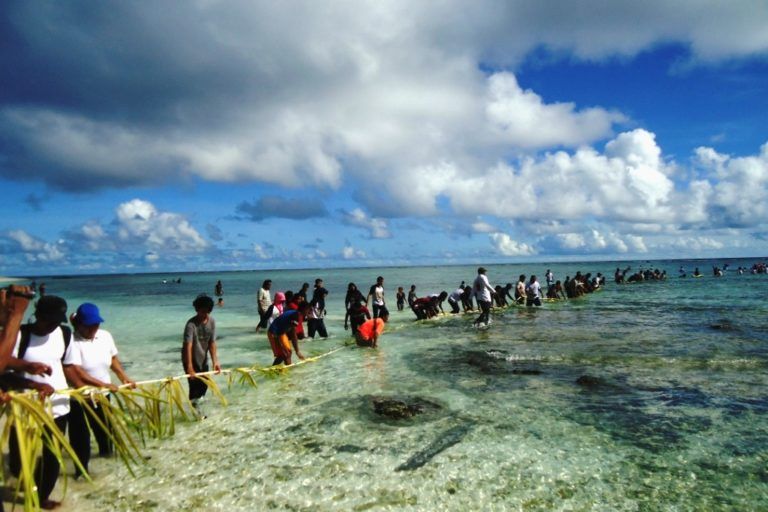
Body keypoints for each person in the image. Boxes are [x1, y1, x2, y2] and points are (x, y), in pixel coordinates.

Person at [6, 295, 75, 509]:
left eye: (56, 321)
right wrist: (33, 384)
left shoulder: (64, 333)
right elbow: (3, 374)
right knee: (18, 461)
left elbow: (69, 366)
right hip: (24, 409)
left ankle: (41, 496)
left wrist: (94, 388)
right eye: (48, 320)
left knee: (52, 455)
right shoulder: (19, 335)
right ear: (37, 315)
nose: (52, 326)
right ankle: (28, 484)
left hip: (58, 406)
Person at [63, 303, 135, 478]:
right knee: (81, 436)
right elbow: (76, 370)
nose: (94, 328)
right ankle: (81, 472)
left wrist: (123, 377)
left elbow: (113, 359)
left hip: (102, 394)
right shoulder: (72, 341)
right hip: (79, 397)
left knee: (105, 429)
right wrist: (101, 384)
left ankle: (107, 459)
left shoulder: (105, 336)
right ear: (79, 324)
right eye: (89, 326)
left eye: (96, 324)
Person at [182, 294, 221, 417]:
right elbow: (188, 346)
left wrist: (215, 361)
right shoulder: (191, 325)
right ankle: (196, 414)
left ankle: (196, 408)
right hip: (190, 359)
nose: (204, 314)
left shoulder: (212, 322)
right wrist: (189, 367)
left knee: (204, 385)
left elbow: (212, 343)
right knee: (194, 387)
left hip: (203, 359)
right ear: (196, 309)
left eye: (206, 311)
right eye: (201, 311)